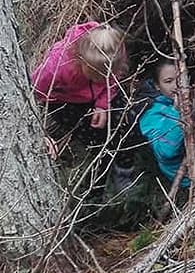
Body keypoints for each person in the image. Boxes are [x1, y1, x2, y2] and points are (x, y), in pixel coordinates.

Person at [32, 22, 131, 188]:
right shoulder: (55, 69)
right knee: (97, 141)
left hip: (101, 95)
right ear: (80, 60)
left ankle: (124, 169)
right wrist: (40, 133)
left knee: (126, 125)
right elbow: (33, 94)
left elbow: (112, 80)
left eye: (105, 74)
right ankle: (95, 187)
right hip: (66, 101)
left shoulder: (114, 51)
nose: (101, 78)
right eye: (95, 74)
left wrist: (102, 105)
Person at [138, 59, 195, 187]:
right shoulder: (150, 114)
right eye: (168, 81)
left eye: (180, 79)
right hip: (185, 175)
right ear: (157, 85)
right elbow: (166, 152)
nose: (176, 86)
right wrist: (177, 113)